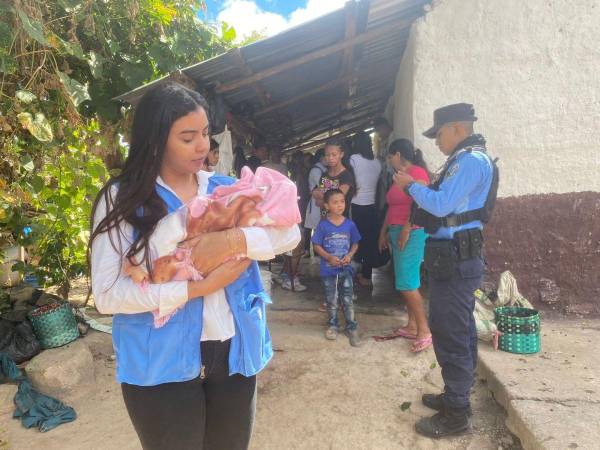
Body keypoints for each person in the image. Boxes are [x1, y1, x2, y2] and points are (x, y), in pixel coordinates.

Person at [89, 83, 300, 450]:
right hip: (159, 363)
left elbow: (289, 233)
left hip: (233, 351)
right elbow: (107, 296)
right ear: (155, 140)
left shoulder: (225, 189)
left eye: (204, 133)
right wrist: (195, 289)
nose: (203, 146)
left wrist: (233, 241)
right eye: (188, 138)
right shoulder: (121, 199)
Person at [392, 103, 497, 438]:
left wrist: (410, 185)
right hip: (449, 258)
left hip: (457, 259)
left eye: (439, 134)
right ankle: (455, 395)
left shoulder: (470, 161)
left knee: (451, 332)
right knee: (455, 329)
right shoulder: (461, 160)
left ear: (456, 128)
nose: (436, 141)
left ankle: (456, 414)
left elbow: (440, 204)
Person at [378, 139, 431, 353]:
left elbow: (420, 204)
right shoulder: (398, 176)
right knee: (406, 280)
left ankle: (425, 330)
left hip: (412, 232)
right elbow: (392, 206)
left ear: (398, 154)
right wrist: (383, 233)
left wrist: (407, 229)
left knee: (407, 283)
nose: (389, 161)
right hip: (396, 230)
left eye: (390, 157)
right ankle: (411, 325)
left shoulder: (418, 173)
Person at [311, 189, 361, 347]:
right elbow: (316, 245)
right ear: (326, 205)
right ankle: (333, 326)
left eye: (342, 201)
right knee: (331, 299)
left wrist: (350, 255)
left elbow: (355, 243)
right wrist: (328, 257)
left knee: (347, 299)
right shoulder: (323, 225)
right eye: (335, 202)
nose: (340, 205)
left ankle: (351, 327)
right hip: (328, 270)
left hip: (345, 269)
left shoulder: (350, 224)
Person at [349, 132, 382, 287]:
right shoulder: (377, 162)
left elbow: (350, 180)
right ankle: (366, 276)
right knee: (369, 240)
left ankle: (352, 273)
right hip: (372, 206)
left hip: (356, 204)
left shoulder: (354, 159)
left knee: (355, 239)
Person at [311, 139, 355, 218]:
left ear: (341, 154)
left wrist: (322, 196)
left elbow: (335, 200)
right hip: (324, 220)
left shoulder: (346, 175)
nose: (330, 158)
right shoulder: (324, 175)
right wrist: (325, 198)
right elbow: (316, 198)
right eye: (327, 155)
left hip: (339, 223)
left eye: (334, 155)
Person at [303, 148, 326, 250]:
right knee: (316, 226)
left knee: (318, 226)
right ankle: (313, 249)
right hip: (316, 203)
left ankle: (316, 250)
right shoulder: (316, 170)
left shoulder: (323, 169)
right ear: (321, 158)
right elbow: (324, 186)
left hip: (321, 203)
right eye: (327, 155)